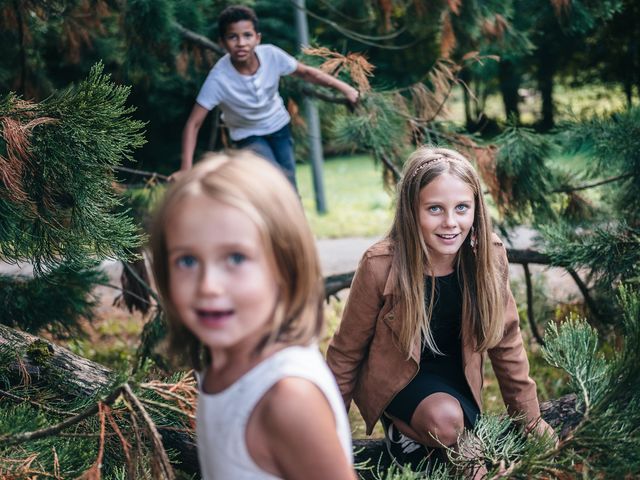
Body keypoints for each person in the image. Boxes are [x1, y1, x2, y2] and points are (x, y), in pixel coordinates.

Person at [326, 146, 554, 472]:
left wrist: (530, 419)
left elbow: (506, 341)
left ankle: (429, 443)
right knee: (448, 422)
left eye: (462, 208)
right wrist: (329, 431)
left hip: (459, 378)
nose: (450, 222)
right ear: (411, 210)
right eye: (434, 209)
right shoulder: (380, 265)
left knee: (457, 425)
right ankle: (411, 431)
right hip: (401, 380)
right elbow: (345, 354)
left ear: (477, 209)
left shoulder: (488, 258)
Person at [151, 151, 356, 480]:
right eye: (187, 261)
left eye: (235, 257)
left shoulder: (288, 398)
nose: (209, 286)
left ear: (285, 266)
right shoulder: (221, 364)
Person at [179, 5, 359, 189]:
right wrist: (186, 168)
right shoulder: (218, 79)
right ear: (222, 42)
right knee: (273, 181)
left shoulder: (271, 55)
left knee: (289, 186)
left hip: (279, 126)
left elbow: (307, 73)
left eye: (247, 35)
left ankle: (294, 217)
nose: (241, 42)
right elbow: (193, 124)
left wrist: (346, 89)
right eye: (233, 37)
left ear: (258, 38)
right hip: (248, 135)